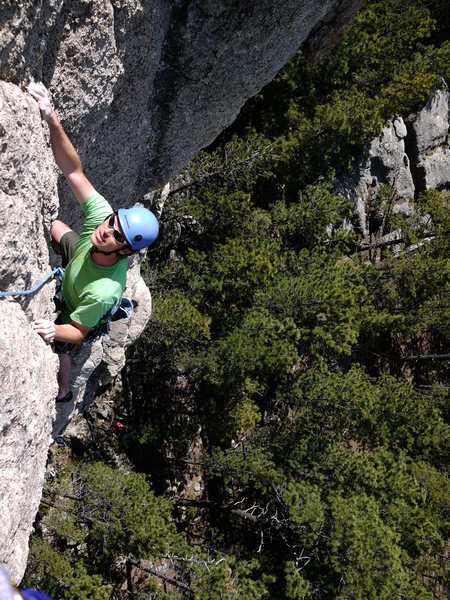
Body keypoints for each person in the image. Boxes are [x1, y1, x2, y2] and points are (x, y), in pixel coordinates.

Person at [28, 82, 159, 402]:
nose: (107, 231)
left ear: (125, 251)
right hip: (80, 261)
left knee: (61, 350)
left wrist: (53, 330)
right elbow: (73, 170)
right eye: (113, 222)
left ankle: (63, 390)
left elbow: (77, 331)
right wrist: (51, 117)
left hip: (78, 306)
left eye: (117, 235)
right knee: (56, 226)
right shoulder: (102, 221)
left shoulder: (103, 291)